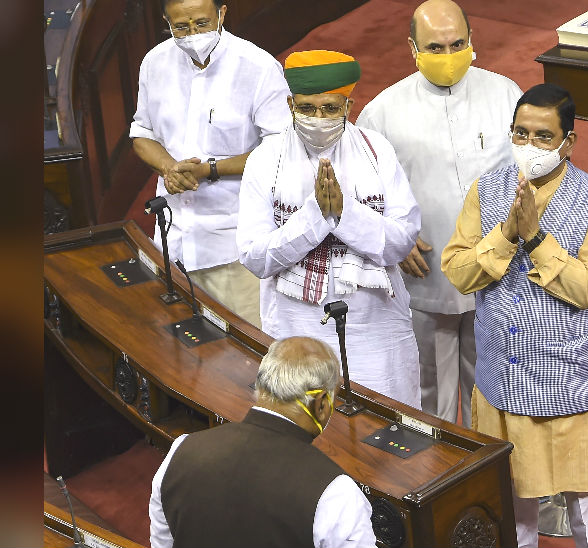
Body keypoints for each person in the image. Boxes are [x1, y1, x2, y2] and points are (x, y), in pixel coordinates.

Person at [442, 83, 588, 548]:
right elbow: (459, 272)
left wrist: (535, 238)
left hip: (571, 383)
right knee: (512, 510)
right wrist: (506, 233)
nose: (530, 146)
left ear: (569, 142)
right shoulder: (486, 192)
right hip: (503, 383)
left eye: (544, 137)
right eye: (521, 133)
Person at [356, 0, 522, 427]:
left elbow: (530, 169)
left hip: (497, 269)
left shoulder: (504, 93)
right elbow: (363, 192)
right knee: (432, 392)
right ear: (412, 48)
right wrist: (396, 238)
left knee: (493, 390)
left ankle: (490, 479)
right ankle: (440, 482)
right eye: (435, 47)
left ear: (472, 41)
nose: (448, 57)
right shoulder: (382, 112)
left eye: (457, 44)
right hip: (426, 272)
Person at [236, 50, 422, 409]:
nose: (318, 118)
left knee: (386, 439)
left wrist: (345, 214)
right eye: (307, 109)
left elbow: (401, 241)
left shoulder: (376, 151)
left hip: (375, 332)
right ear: (290, 104)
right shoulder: (265, 159)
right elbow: (254, 256)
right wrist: (315, 217)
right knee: (307, 435)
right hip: (296, 327)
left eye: (330, 108)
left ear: (348, 106)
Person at [129, 0, 292, 328]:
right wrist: (169, 167)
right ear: (166, 21)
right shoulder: (154, 63)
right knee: (179, 351)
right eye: (181, 27)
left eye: (202, 24)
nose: (192, 35)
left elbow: (282, 149)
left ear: (222, 13)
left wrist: (210, 170)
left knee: (248, 356)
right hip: (171, 239)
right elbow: (142, 133)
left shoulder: (257, 67)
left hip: (234, 247)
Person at [149, 336, 377, 548]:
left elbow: (162, 543)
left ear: (260, 389)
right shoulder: (336, 493)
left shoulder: (181, 450)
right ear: (321, 405)